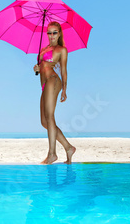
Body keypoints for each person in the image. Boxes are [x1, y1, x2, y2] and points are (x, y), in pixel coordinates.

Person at [33, 21, 76, 165]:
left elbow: (63, 70)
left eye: (54, 32)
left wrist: (65, 88)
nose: (51, 36)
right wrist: (37, 69)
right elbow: (42, 67)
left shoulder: (62, 50)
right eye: (49, 33)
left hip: (53, 80)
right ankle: (68, 148)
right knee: (44, 122)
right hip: (44, 85)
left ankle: (52, 154)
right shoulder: (42, 49)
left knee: (50, 116)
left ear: (59, 34)